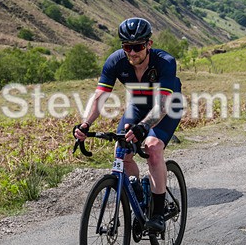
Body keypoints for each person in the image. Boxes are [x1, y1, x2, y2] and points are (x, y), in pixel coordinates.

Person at [73, 17, 182, 233]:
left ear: (148, 44)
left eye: (138, 47)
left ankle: (158, 213)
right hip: (139, 104)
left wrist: (143, 127)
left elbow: (162, 105)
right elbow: (100, 96)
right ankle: (139, 197)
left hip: (168, 106)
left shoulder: (165, 62)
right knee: (121, 151)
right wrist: (85, 124)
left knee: (152, 147)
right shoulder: (116, 61)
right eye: (127, 47)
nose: (132, 52)